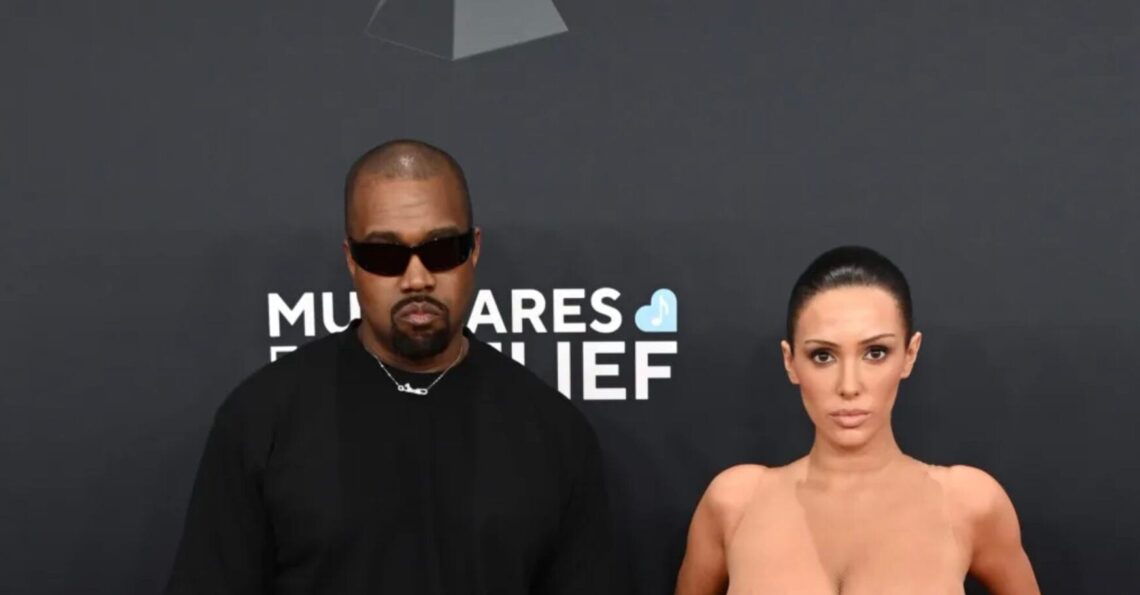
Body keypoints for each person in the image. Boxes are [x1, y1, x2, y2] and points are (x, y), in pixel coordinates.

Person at [166, 139, 622, 595]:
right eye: (385, 255)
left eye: (442, 249)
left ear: (474, 249)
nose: (417, 278)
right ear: (351, 260)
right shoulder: (261, 420)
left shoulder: (555, 433)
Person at [674, 246, 1040, 594]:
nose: (849, 386)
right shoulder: (734, 503)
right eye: (822, 356)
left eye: (875, 353)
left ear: (910, 354)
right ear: (790, 362)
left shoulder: (970, 504)